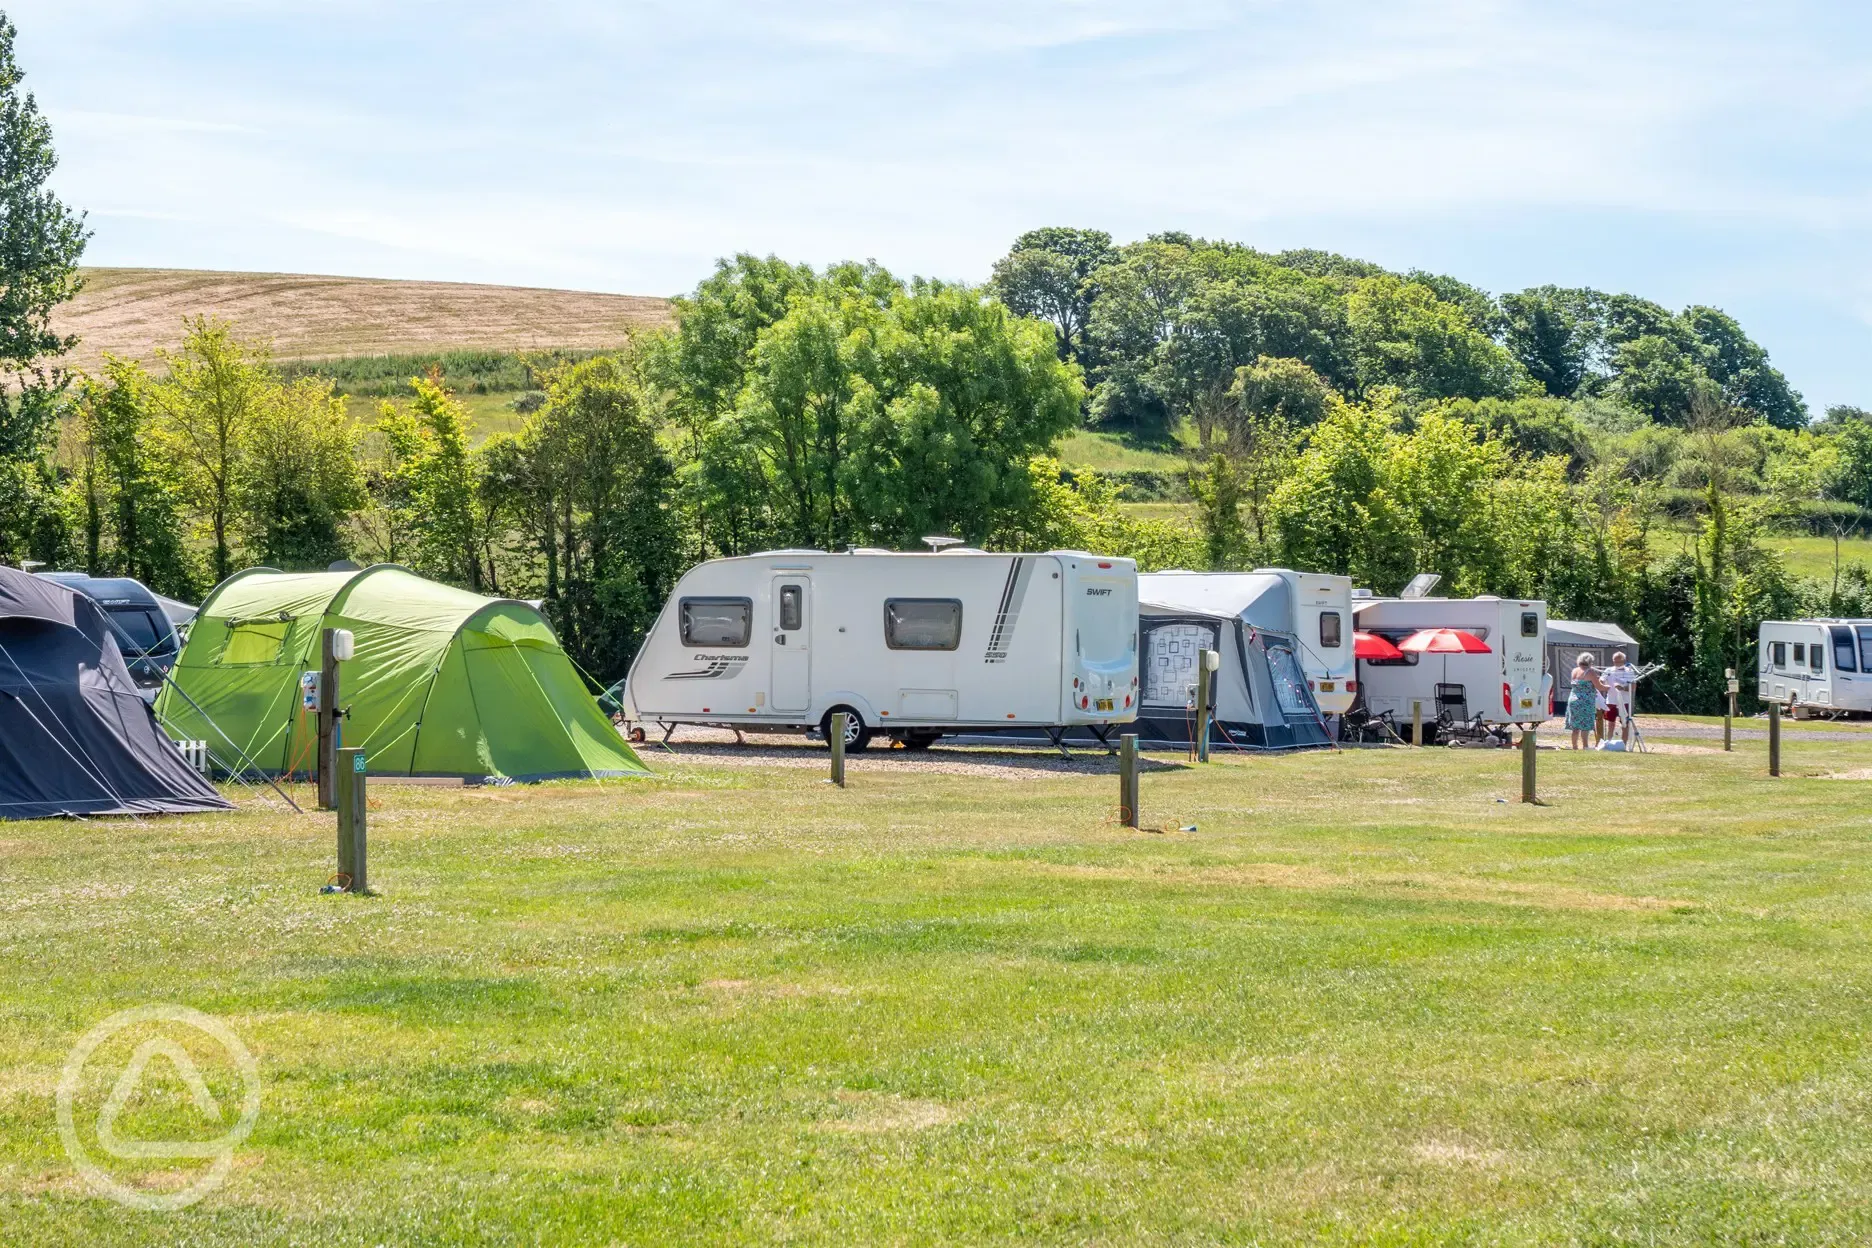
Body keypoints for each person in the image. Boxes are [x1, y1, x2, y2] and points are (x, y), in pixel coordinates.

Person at [1565, 653, 1605, 750]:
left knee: (1575, 727)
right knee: (1584, 726)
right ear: (1590, 662)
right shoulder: (1590, 672)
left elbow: (1580, 683)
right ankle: (1585, 746)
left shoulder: (1574, 671)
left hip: (1573, 700)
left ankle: (1574, 746)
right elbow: (1599, 687)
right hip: (1585, 702)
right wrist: (1609, 687)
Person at [1601, 650, 1638, 746]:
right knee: (1610, 723)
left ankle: (1623, 744)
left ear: (1624, 661)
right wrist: (1604, 685)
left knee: (1625, 723)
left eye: (1619, 662)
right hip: (1611, 700)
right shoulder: (1608, 670)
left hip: (1624, 701)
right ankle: (1609, 743)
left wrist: (1623, 688)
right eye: (1615, 661)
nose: (1616, 663)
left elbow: (1633, 687)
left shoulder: (1629, 671)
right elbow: (1601, 681)